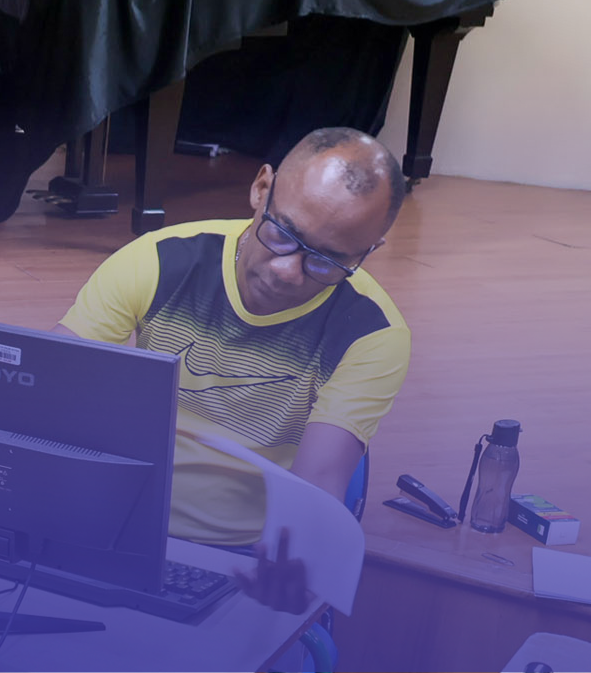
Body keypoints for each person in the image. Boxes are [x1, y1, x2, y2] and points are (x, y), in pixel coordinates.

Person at [56, 127, 411, 613]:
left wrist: (298, 563)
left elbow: (318, 484)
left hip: (247, 558)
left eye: (327, 261)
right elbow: (52, 392)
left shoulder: (372, 333)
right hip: (118, 523)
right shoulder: (159, 261)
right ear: (261, 188)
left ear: (368, 251)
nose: (287, 271)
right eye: (282, 233)